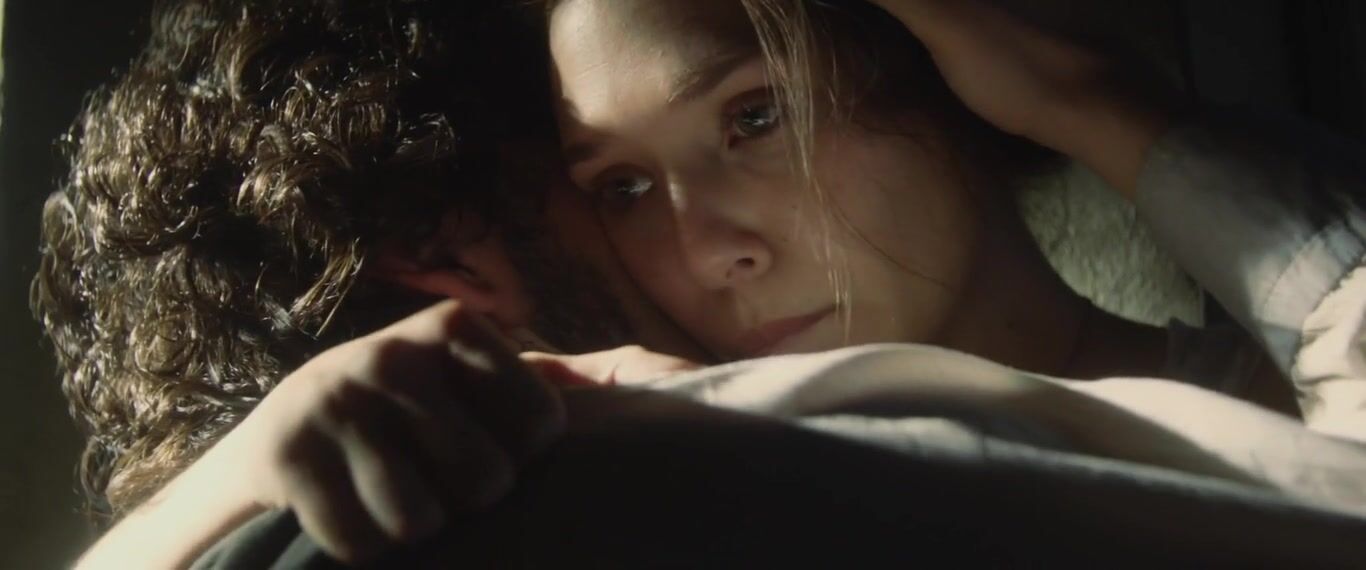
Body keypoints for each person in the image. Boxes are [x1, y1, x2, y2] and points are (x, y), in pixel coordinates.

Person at [543, 0, 1364, 431]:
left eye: (756, 117)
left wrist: (1084, 97)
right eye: (625, 188)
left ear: (946, 71)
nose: (702, 254)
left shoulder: (1290, 424)